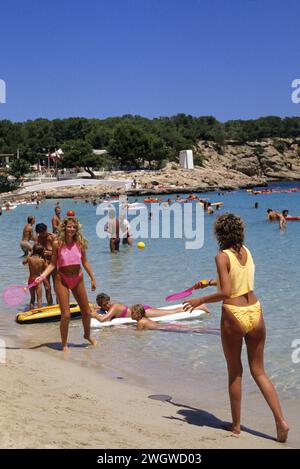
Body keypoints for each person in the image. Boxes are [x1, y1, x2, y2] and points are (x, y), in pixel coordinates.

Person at [182, 213, 289, 442]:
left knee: (235, 372)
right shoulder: (247, 251)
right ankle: (281, 421)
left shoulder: (222, 256)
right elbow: (237, 280)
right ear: (240, 232)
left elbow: (226, 292)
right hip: (256, 311)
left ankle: (237, 427)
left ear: (219, 234)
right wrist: (209, 282)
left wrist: (200, 301)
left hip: (234, 314)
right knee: (259, 371)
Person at [35, 216, 97, 351]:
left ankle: (87, 335)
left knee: (86, 312)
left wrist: (92, 278)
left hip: (78, 278)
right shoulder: (57, 243)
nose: (72, 229)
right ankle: (64, 344)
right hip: (61, 279)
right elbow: (53, 264)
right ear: (64, 227)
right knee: (66, 315)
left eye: (74, 227)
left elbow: (85, 262)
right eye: (69, 226)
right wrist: (42, 276)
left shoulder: (79, 243)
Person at [91, 292, 210, 323]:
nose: (106, 306)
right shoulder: (112, 305)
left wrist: (93, 314)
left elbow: (103, 319)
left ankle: (200, 306)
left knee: (171, 312)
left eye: (106, 304)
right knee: (169, 311)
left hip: (145, 312)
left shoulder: (114, 308)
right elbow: (99, 307)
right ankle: (198, 306)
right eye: (104, 306)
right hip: (141, 309)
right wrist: (95, 307)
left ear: (108, 302)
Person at [131, 304, 218, 333]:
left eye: (132, 313)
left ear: (138, 314)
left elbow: (138, 333)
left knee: (191, 329)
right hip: (164, 326)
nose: (131, 315)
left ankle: (212, 330)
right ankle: (214, 330)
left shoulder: (141, 322)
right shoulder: (145, 319)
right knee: (191, 329)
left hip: (164, 328)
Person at [22, 244, 49, 310]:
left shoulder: (29, 258)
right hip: (38, 281)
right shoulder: (42, 260)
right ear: (41, 251)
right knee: (39, 298)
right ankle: (40, 312)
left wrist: (30, 254)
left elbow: (23, 262)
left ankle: (31, 311)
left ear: (33, 250)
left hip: (30, 280)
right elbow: (47, 268)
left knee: (32, 298)